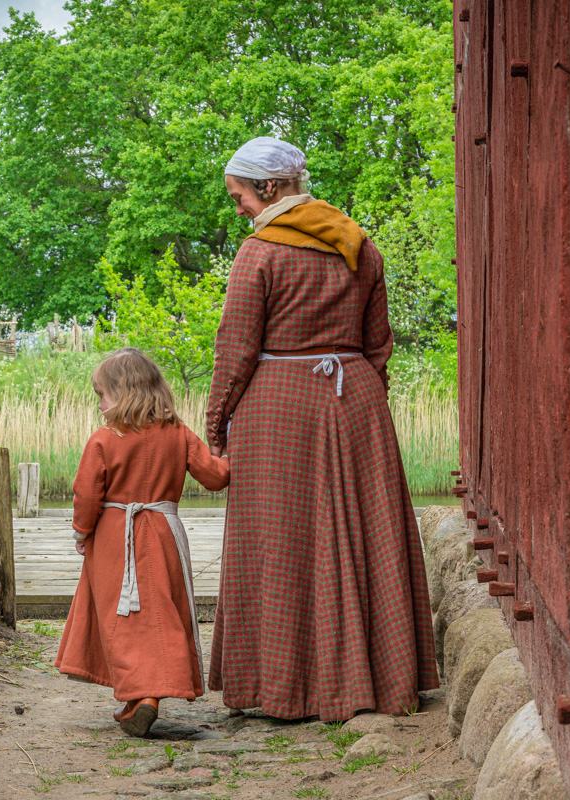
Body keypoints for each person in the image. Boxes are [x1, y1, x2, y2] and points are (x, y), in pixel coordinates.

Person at [205, 136, 439, 721]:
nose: (239, 210)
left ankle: (282, 688)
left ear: (270, 188)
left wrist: (216, 424)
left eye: (240, 197)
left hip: (277, 408)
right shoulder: (360, 246)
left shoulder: (259, 255)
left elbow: (235, 351)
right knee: (366, 534)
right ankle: (377, 681)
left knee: (280, 543)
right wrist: (357, 403)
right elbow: (378, 345)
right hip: (356, 399)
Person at [55, 348, 230, 736]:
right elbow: (216, 477)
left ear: (123, 391)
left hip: (117, 535)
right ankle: (138, 699)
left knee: (123, 616)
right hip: (165, 532)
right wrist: (228, 449)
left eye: (101, 394)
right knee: (160, 612)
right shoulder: (179, 433)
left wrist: (81, 532)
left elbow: (87, 494)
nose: (99, 403)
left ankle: (143, 695)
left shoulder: (104, 439)